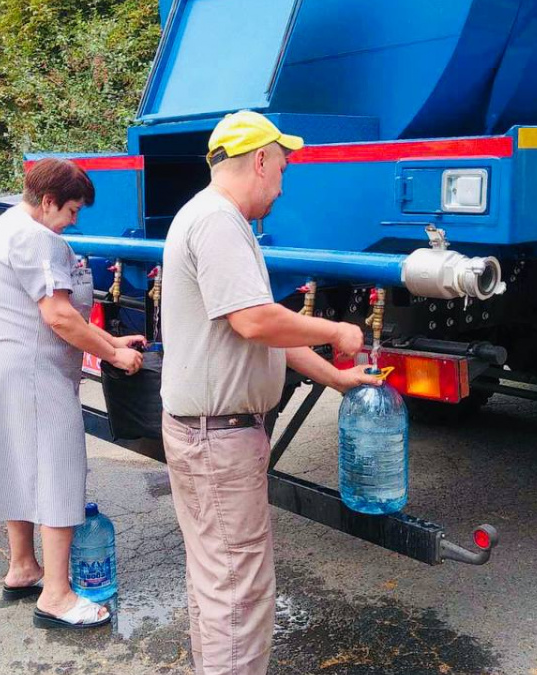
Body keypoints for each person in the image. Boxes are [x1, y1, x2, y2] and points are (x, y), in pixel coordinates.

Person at [159, 111, 381, 674]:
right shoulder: (217, 222)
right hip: (217, 438)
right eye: (282, 166)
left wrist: (334, 376)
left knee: (218, 579)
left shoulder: (214, 218)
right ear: (260, 159)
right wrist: (335, 332)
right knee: (238, 591)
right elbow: (257, 322)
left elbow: (260, 333)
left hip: (210, 433)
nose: (283, 182)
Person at [0, 158, 145, 630]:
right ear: (47, 201)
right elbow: (61, 318)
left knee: (21, 465)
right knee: (57, 471)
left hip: (3, 363)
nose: (74, 221)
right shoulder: (37, 238)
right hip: (32, 370)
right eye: (71, 210)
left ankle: (24, 566)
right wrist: (112, 355)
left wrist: (111, 342)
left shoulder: (6, 223)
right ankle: (57, 595)